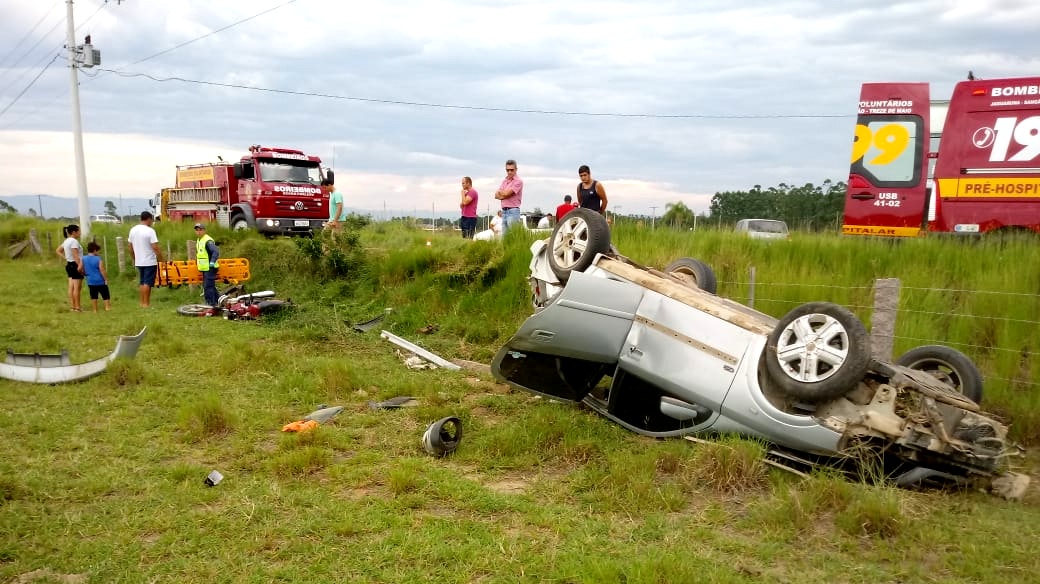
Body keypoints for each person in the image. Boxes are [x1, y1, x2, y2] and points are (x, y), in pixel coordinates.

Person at [127, 211, 163, 308]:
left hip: (139, 261)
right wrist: (161, 259)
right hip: (149, 261)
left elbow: (130, 247)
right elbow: (155, 247)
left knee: (142, 282)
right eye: (151, 220)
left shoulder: (133, 230)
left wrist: (134, 258)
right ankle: (146, 303)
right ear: (149, 219)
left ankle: (142, 302)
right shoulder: (150, 231)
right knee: (148, 282)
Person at [55, 224, 84, 312]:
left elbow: (58, 250)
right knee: (77, 287)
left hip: (69, 265)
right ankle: (78, 308)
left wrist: (66, 258)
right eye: (79, 231)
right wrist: (80, 266)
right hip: (75, 265)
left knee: (71, 287)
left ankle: (73, 306)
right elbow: (75, 255)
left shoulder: (66, 241)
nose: (80, 233)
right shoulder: (74, 241)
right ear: (74, 232)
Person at [194, 223, 220, 307]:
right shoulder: (199, 240)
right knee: (209, 286)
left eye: (200, 230)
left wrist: (212, 262)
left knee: (208, 286)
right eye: (197, 230)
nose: (198, 232)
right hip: (205, 268)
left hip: (210, 268)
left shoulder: (207, 240)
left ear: (204, 230)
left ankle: (210, 304)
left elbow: (215, 251)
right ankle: (218, 301)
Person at [494, 159, 523, 233]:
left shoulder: (518, 181)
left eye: (512, 170)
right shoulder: (504, 181)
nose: (509, 172)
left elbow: (506, 193)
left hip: (513, 211)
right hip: (504, 211)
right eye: (507, 170)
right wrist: (505, 194)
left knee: (514, 236)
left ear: (516, 169)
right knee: (505, 238)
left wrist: (503, 194)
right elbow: (496, 195)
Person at [82, 241, 111, 312]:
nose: (98, 253)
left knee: (93, 296)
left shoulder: (83, 258)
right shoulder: (98, 259)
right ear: (95, 250)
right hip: (100, 280)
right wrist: (106, 279)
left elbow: (80, 268)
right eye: (98, 251)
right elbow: (102, 270)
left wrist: (85, 273)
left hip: (90, 281)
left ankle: (95, 309)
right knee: (105, 294)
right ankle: (107, 307)